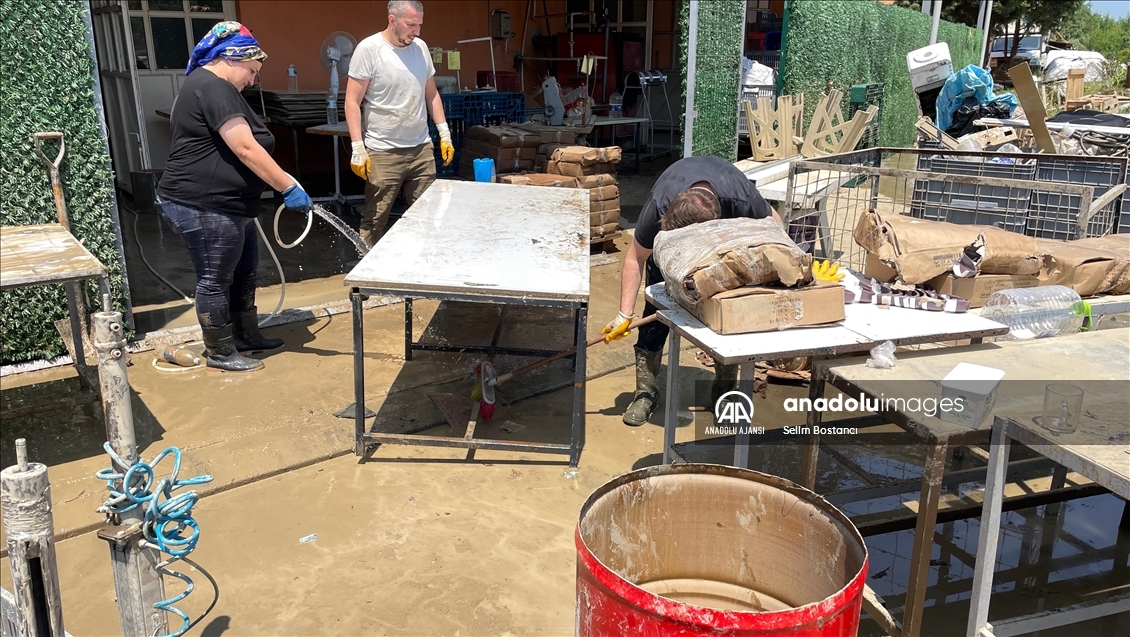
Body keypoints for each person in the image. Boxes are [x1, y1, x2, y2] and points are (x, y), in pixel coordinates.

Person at [158, 21, 312, 373]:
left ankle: (245, 336)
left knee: (244, 271)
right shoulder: (213, 86)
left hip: (230, 204)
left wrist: (284, 181)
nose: (253, 80)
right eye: (252, 71)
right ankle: (220, 351)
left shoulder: (213, 85)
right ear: (231, 58)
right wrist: (286, 187)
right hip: (203, 203)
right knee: (215, 278)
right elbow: (244, 148)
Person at [603, 156, 781, 426]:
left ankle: (725, 392)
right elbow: (635, 258)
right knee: (654, 318)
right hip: (667, 258)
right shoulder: (659, 205)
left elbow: (776, 226)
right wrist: (624, 314)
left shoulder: (741, 199)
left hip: (722, 252)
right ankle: (645, 393)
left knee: (726, 321)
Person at [345, 0, 454, 248]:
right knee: (375, 218)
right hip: (383, 150)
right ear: (392, 20)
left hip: (420, 148)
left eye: (420, 25)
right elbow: (352, 101)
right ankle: (366, 265)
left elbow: (431, 94)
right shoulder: (369, 49)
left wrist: (444, 133)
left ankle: (422, 260)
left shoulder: (421, 48)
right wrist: (358, 147)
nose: (417, 31)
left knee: (429, 213)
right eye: (411, 24)